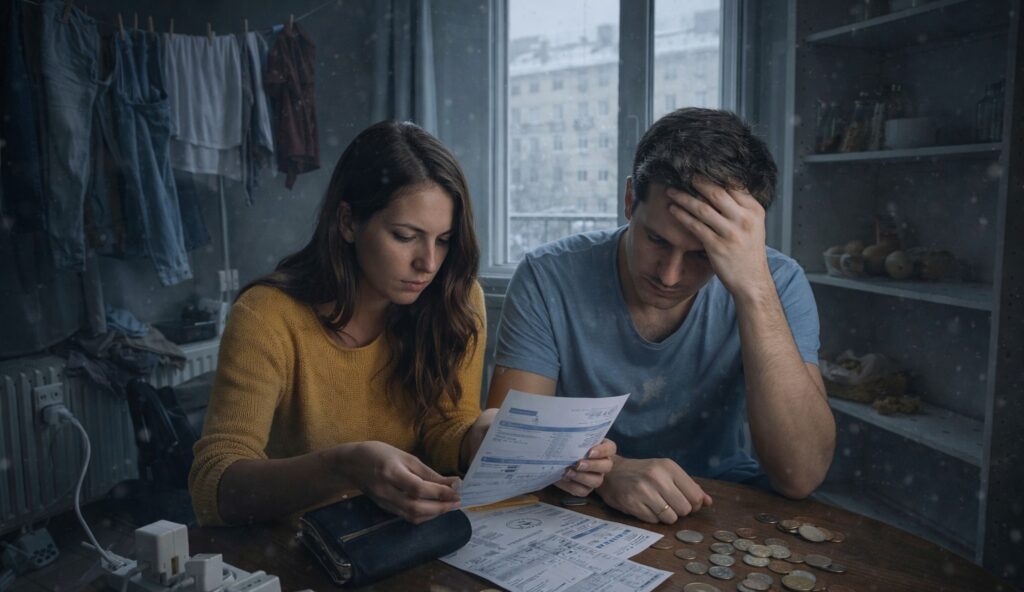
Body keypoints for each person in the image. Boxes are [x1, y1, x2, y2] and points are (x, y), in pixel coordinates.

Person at [189, 121, 613, 527]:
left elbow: (446, 427)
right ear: (348, 222)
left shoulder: (457, 300)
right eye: (405, 236)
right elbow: (215, 487)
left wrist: (484, 438)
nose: (428, 263)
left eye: (443, 240)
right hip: (297, 550)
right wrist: (345, 466)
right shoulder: (267, 316)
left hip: (405, 541)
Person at [488, 108, 835, 524]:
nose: (669, 276)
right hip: (580, 500)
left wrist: (755, 289)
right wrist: (608, 473)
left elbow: (801, 474)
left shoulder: (778, 282)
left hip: (718, 502)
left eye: (702, 255)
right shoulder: (547, 277)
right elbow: (509, 450)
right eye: (656, 239)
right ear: (630, 199)